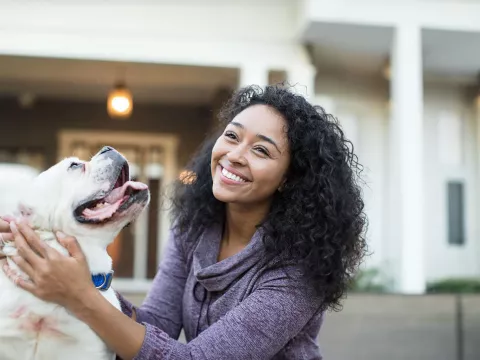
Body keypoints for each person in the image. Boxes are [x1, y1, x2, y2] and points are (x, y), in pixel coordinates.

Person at [0, 84, 367, 359]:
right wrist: (52, 259)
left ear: (290, 177)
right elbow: (154, 324)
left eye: (261, 150)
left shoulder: (297, 272)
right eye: (232, 136)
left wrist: (81, 295)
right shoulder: (196, 228)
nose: (234, 156)